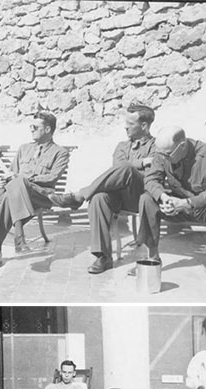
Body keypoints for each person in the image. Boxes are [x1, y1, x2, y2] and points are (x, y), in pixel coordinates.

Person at [47, 103, 156, 274]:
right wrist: (142, 162)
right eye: (125, 122)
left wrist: (136, 166)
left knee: (127, 169)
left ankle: (79, 196)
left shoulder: (156, 146)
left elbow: (152, 171)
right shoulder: (122, 146)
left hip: (142, 196)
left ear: (144, 126)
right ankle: (103, 257)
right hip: (121, 196)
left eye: (130, 123)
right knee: (98, 198)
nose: (125, 127)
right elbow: (117, 169)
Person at [136, 126, 206, 289]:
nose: (163, 158)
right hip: (176, 205)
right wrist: (164, 197)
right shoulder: (163, 153)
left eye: (167, 154)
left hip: (205, 208)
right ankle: (153, 257)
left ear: (182, 146)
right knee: (147, 199)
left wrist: (188, 203)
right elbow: (151, 179)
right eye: (160, 154)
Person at [0, 111, 69, 269]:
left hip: (39, 195)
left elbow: (52, 177)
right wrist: (7, 178)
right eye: (30, 126)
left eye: (35, 127)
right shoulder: (24, 148)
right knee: (15, 187)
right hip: (15, 193)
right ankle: (18, 237)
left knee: (16, 186)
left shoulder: (60, 153)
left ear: (47, 129)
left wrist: (24, 179)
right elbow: (11, 172)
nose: (31, 129)